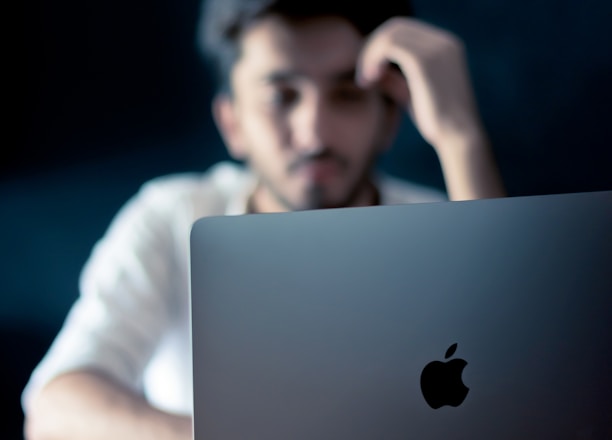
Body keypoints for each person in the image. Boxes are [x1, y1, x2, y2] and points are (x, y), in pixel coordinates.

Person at [22, 0, 505, 438]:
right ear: (233, 123)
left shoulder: (448, 224)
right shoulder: (173, 216)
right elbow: (55, 408)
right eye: (282, 96)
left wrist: (460, 137)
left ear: (389, 118)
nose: (315, 132)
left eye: (347, 94)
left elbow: (526, 397)